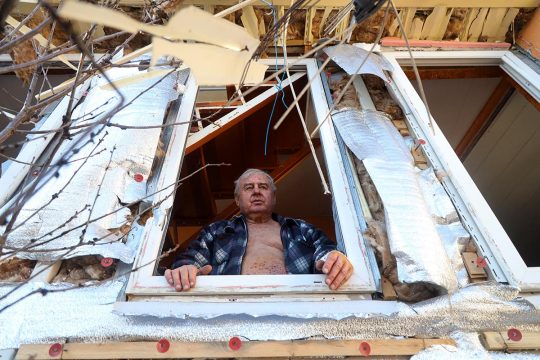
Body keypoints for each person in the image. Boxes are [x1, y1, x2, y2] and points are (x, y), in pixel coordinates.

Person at [164, 169, 354, 291]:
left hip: (298, 304)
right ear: (238, 200)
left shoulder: (300, 229)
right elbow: (188, 261)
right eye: (248, 187)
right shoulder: (217, 231)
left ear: (273, 197)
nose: (256, 191)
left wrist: (333, 258)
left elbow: (326, 249)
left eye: (263, 187)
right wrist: (184, 269)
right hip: (229, 308)